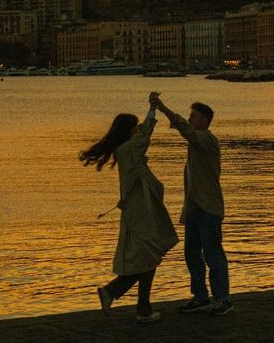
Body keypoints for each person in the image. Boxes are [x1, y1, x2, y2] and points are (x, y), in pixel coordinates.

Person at [79, 92, 178, 323]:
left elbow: (142, 133)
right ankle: (136, 305)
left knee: (148, 258)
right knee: (150, 258)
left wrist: (152, 109)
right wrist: (153, 109)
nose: (138, 129)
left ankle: (119, 295)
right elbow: (145, 135)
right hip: (139, 214)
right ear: (128, 131)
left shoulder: (126, 151)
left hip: (141, 211)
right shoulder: (129, 150)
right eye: (134, 127)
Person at [151, 95, 232, 316]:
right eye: (190, 115)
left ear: (204, 120)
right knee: (192, 254)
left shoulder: (207, 140)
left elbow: (184, 129)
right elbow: (185, 129)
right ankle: (201, 296)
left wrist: (162, 108)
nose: (189, 118)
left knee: (213, 254)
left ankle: (222, 299)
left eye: (193, 116)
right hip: (195, 207)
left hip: (209, 208)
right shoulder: (197, 142)